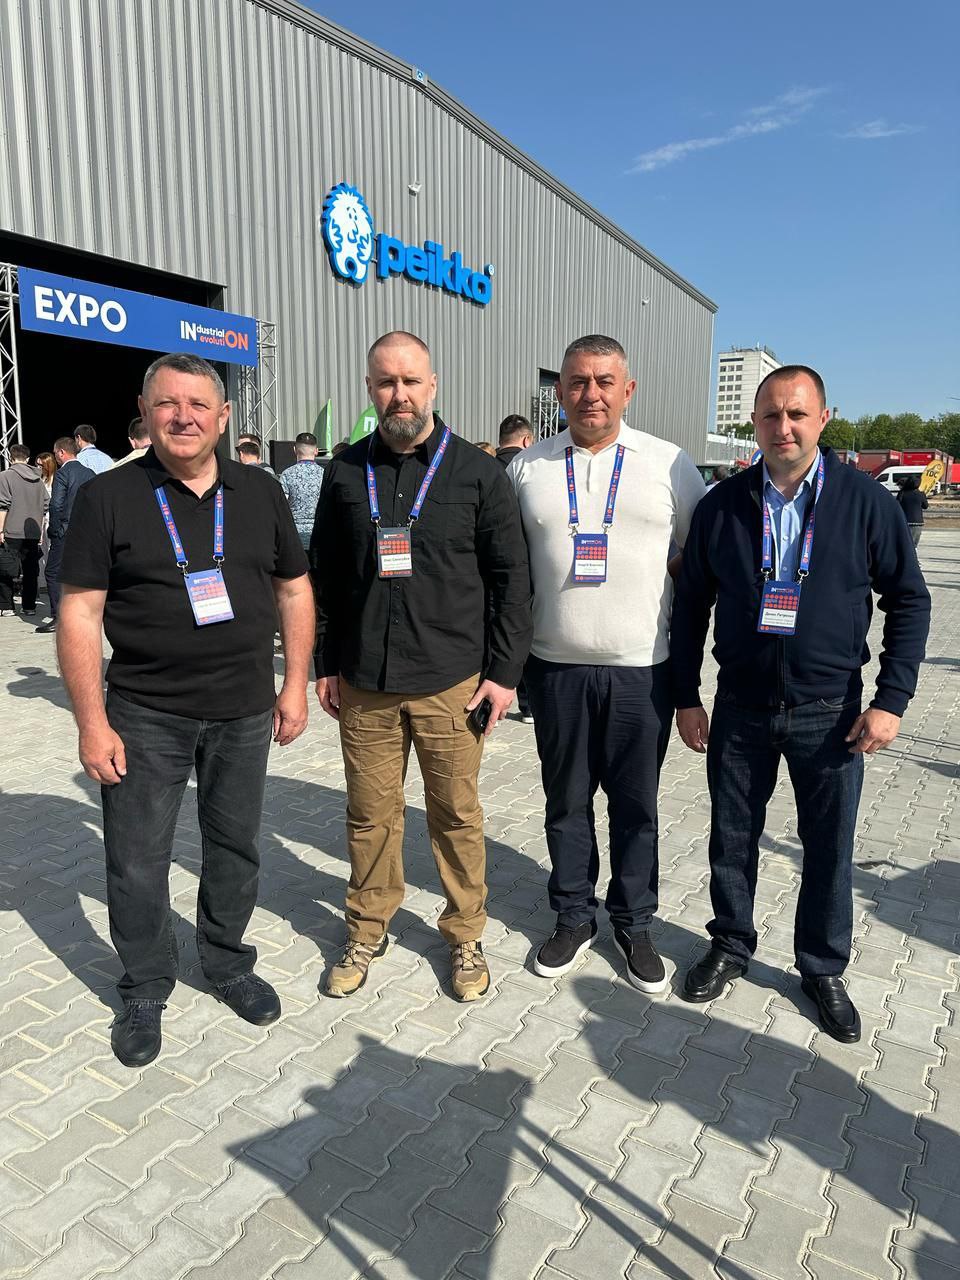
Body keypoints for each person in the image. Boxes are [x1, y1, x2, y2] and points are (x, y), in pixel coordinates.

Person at [57, 352, 315, 1068]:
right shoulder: (109, 495)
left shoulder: (260, 491)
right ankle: (144, 986)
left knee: (235, 846)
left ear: (224, 417)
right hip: (145, 714)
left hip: (244, 711)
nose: (183, 416)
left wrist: (295, 683)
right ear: (145, 414)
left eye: (199, 404)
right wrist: (91, 722)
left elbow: (294, 589)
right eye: (167, 403)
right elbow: (79, 611)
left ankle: (227, 962)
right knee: (137, 859)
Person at [671, 365, 931, 1042]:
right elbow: (691, 605)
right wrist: (685, 696)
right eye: (770, 415)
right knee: (732, 837)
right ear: (754, 423)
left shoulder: (863, 501)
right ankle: (730, 944)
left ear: (823, 419)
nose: (782, 428)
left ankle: (821, 967)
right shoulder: (723, 505)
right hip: (741, 708)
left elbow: (909, 600)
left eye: (796, 414)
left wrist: (892, 700)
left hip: (832, 711)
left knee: (828, 847)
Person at [312, 331, 532, 1002]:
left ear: (432, 385)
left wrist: (503, 673)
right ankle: (367, 926)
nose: (399, 394)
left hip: (451, 682)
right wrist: (325, 662)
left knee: (456, 815)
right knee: (369, 815)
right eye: (386, 382)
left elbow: (511, 580)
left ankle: (465, 933)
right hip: (366, 681)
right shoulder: (344, 472)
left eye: (410, 381)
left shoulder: (476, 473)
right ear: (370, 389)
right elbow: (326, 577)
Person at [508, 335, 705, 992]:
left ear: (628, 389)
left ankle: (634, 922)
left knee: (635, 807)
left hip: (641, 671)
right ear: (560, 390)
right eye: (577, 381)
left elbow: (697, 559)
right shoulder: (528, 467)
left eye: (603, 381)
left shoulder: (669, 463)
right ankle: (573, 916)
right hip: (554, 669)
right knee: (565, 803)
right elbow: (507, 569)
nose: (590, 394)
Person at [495, 414, 535, 723]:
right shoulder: (534, 469)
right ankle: (528, 705)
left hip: (488, 577)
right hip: (527, 575)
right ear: (526, 440)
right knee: (523, 636)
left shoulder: (484, 468)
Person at [35, 437, 94, 633]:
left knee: (52, 572)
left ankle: (59, 618)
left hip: (65, 531)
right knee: (79, 573)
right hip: (86, 531)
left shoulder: (63, 474)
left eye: (55, 453)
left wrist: (54, 530)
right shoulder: (89, 473)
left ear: (62, 452)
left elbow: (56, 505)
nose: (55, 457)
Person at [0, 444, 49, 618]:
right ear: (28, 459)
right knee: (30, 570)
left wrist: (0, 530)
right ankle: (29, 606)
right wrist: (40, 532)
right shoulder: (38, 479)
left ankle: (7, 606)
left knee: (5, 569)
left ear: (10, 458)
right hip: (32, 532)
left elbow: (2, 505)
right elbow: (45, 507)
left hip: (11, 530)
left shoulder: (5, 476)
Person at [279, 432, 325, 550]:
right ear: (316, 451)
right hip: (320, 531)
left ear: (295, 450)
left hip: (294, 533)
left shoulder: (287, 474)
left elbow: (282, 505)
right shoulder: (325, 474)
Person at [896, 474, 928, 547]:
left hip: (905, 520)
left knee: (904, 543)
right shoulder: (921, 494)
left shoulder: (902, 493)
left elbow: (897, 506)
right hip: (918, 522)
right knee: (914, 544)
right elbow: (925, 506)